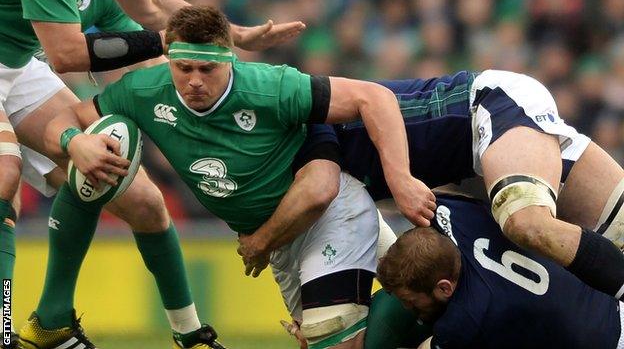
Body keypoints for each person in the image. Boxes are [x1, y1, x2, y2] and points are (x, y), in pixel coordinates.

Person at [46, 5, 437, 349]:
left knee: (348, 335)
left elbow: (375, 98)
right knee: (376, 324)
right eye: (184, 68)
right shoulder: (143, 91)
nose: (194, 80)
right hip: (280, 242)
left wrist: (400, 180)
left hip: (327, 210)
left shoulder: (270, 86)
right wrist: (74, 140)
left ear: (229, 60)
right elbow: (70, 116)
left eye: (207, 68)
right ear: (170, 61)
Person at [1, 0, 306, 348]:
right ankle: (1, 329)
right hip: (30, 60)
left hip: (20, 68)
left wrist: (229, 37)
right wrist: (166, 41)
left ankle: (183, 333)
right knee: (4, 175)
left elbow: (154, 8)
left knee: (140, 198)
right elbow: (65, 53)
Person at [239, 70, 624, 305]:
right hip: (477, 171)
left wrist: (400, 178)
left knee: (526, 222)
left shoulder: (308, 131)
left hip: (486, 107)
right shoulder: (293, 188)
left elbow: (376, 100)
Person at [377, 194, 624, 349]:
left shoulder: (464, 322)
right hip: (613, 304)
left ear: (445, 287)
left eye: (411, 302)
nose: (409, 309)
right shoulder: (451, 213)